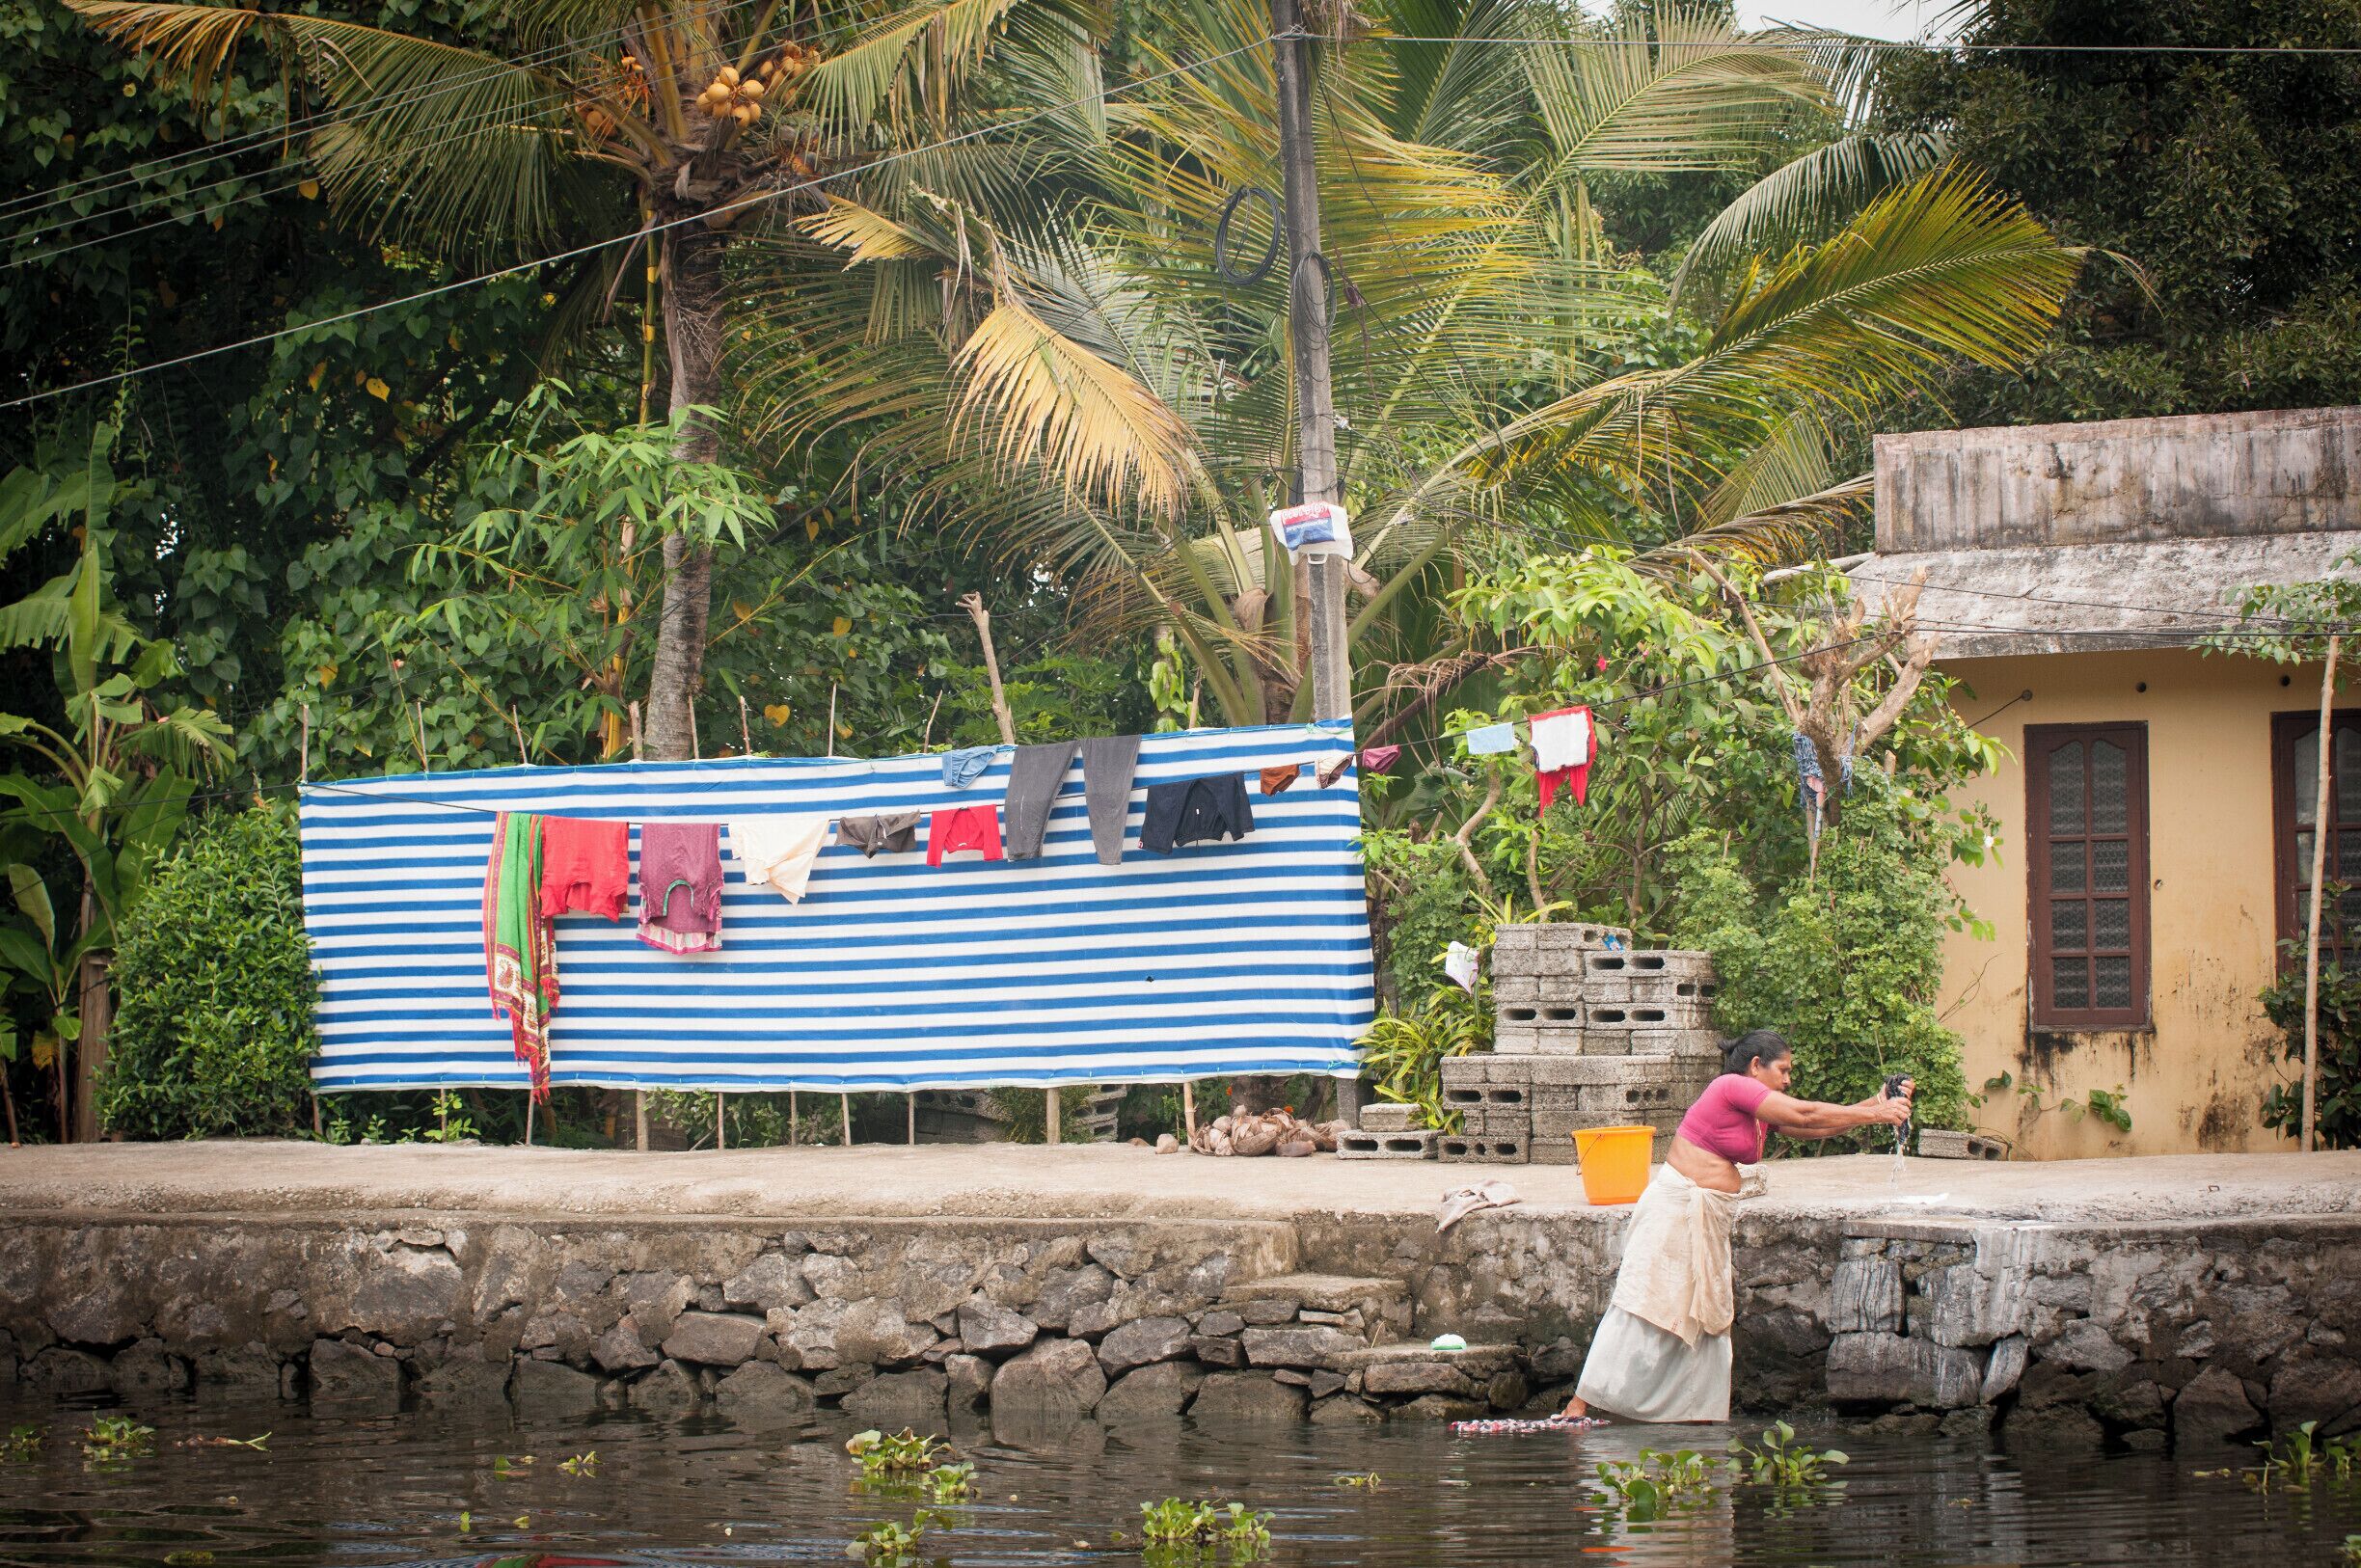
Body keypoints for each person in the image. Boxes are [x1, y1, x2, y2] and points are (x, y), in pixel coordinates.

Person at [1560, 1029, 1912, 1423]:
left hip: (1706, 1217)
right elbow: (1805, 1112)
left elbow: (1812, 1127)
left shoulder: (1756, 1111)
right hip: (1674, 1211)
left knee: (1707, 1316)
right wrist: (1876, 1114)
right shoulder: (1730, 1086)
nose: (1788, 1079)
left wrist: (1873, 1106)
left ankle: (1696, 1415)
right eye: (1783, 1070)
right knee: (1642, 1305)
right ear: (1755, 1066)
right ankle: (1580, 1405)